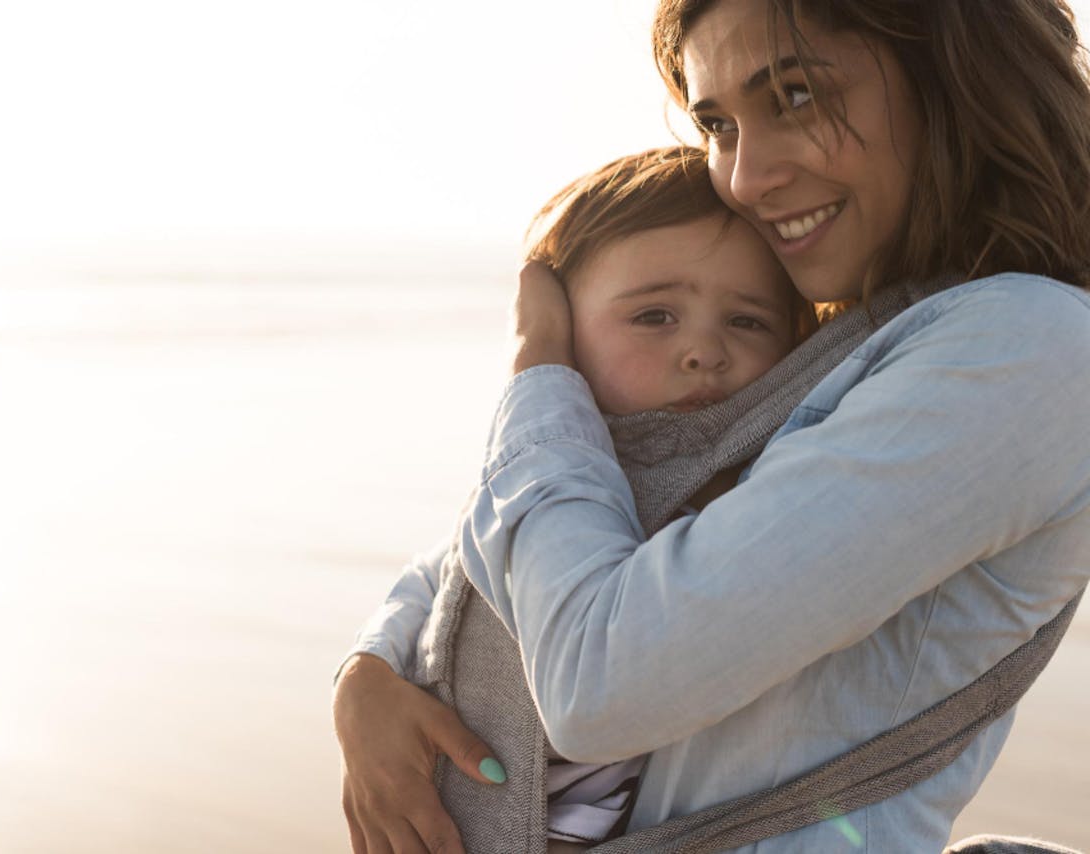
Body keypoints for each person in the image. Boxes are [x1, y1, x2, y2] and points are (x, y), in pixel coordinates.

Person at [333, 1, 1090, 852]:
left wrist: (540, 366)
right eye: (719, 123)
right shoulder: (862, 347)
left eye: (797, 95)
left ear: (953, 78)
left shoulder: (1027, 346)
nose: (743, 175)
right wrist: (369, 668)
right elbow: (488, 548)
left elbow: (598, 682)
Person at [352, 145, 814, 852]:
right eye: (655, 316)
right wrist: (367, 671)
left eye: (746, 322)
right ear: (567, 329)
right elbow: (446, 569)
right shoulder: (553, 471)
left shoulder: (752, 496)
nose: (703, 351)